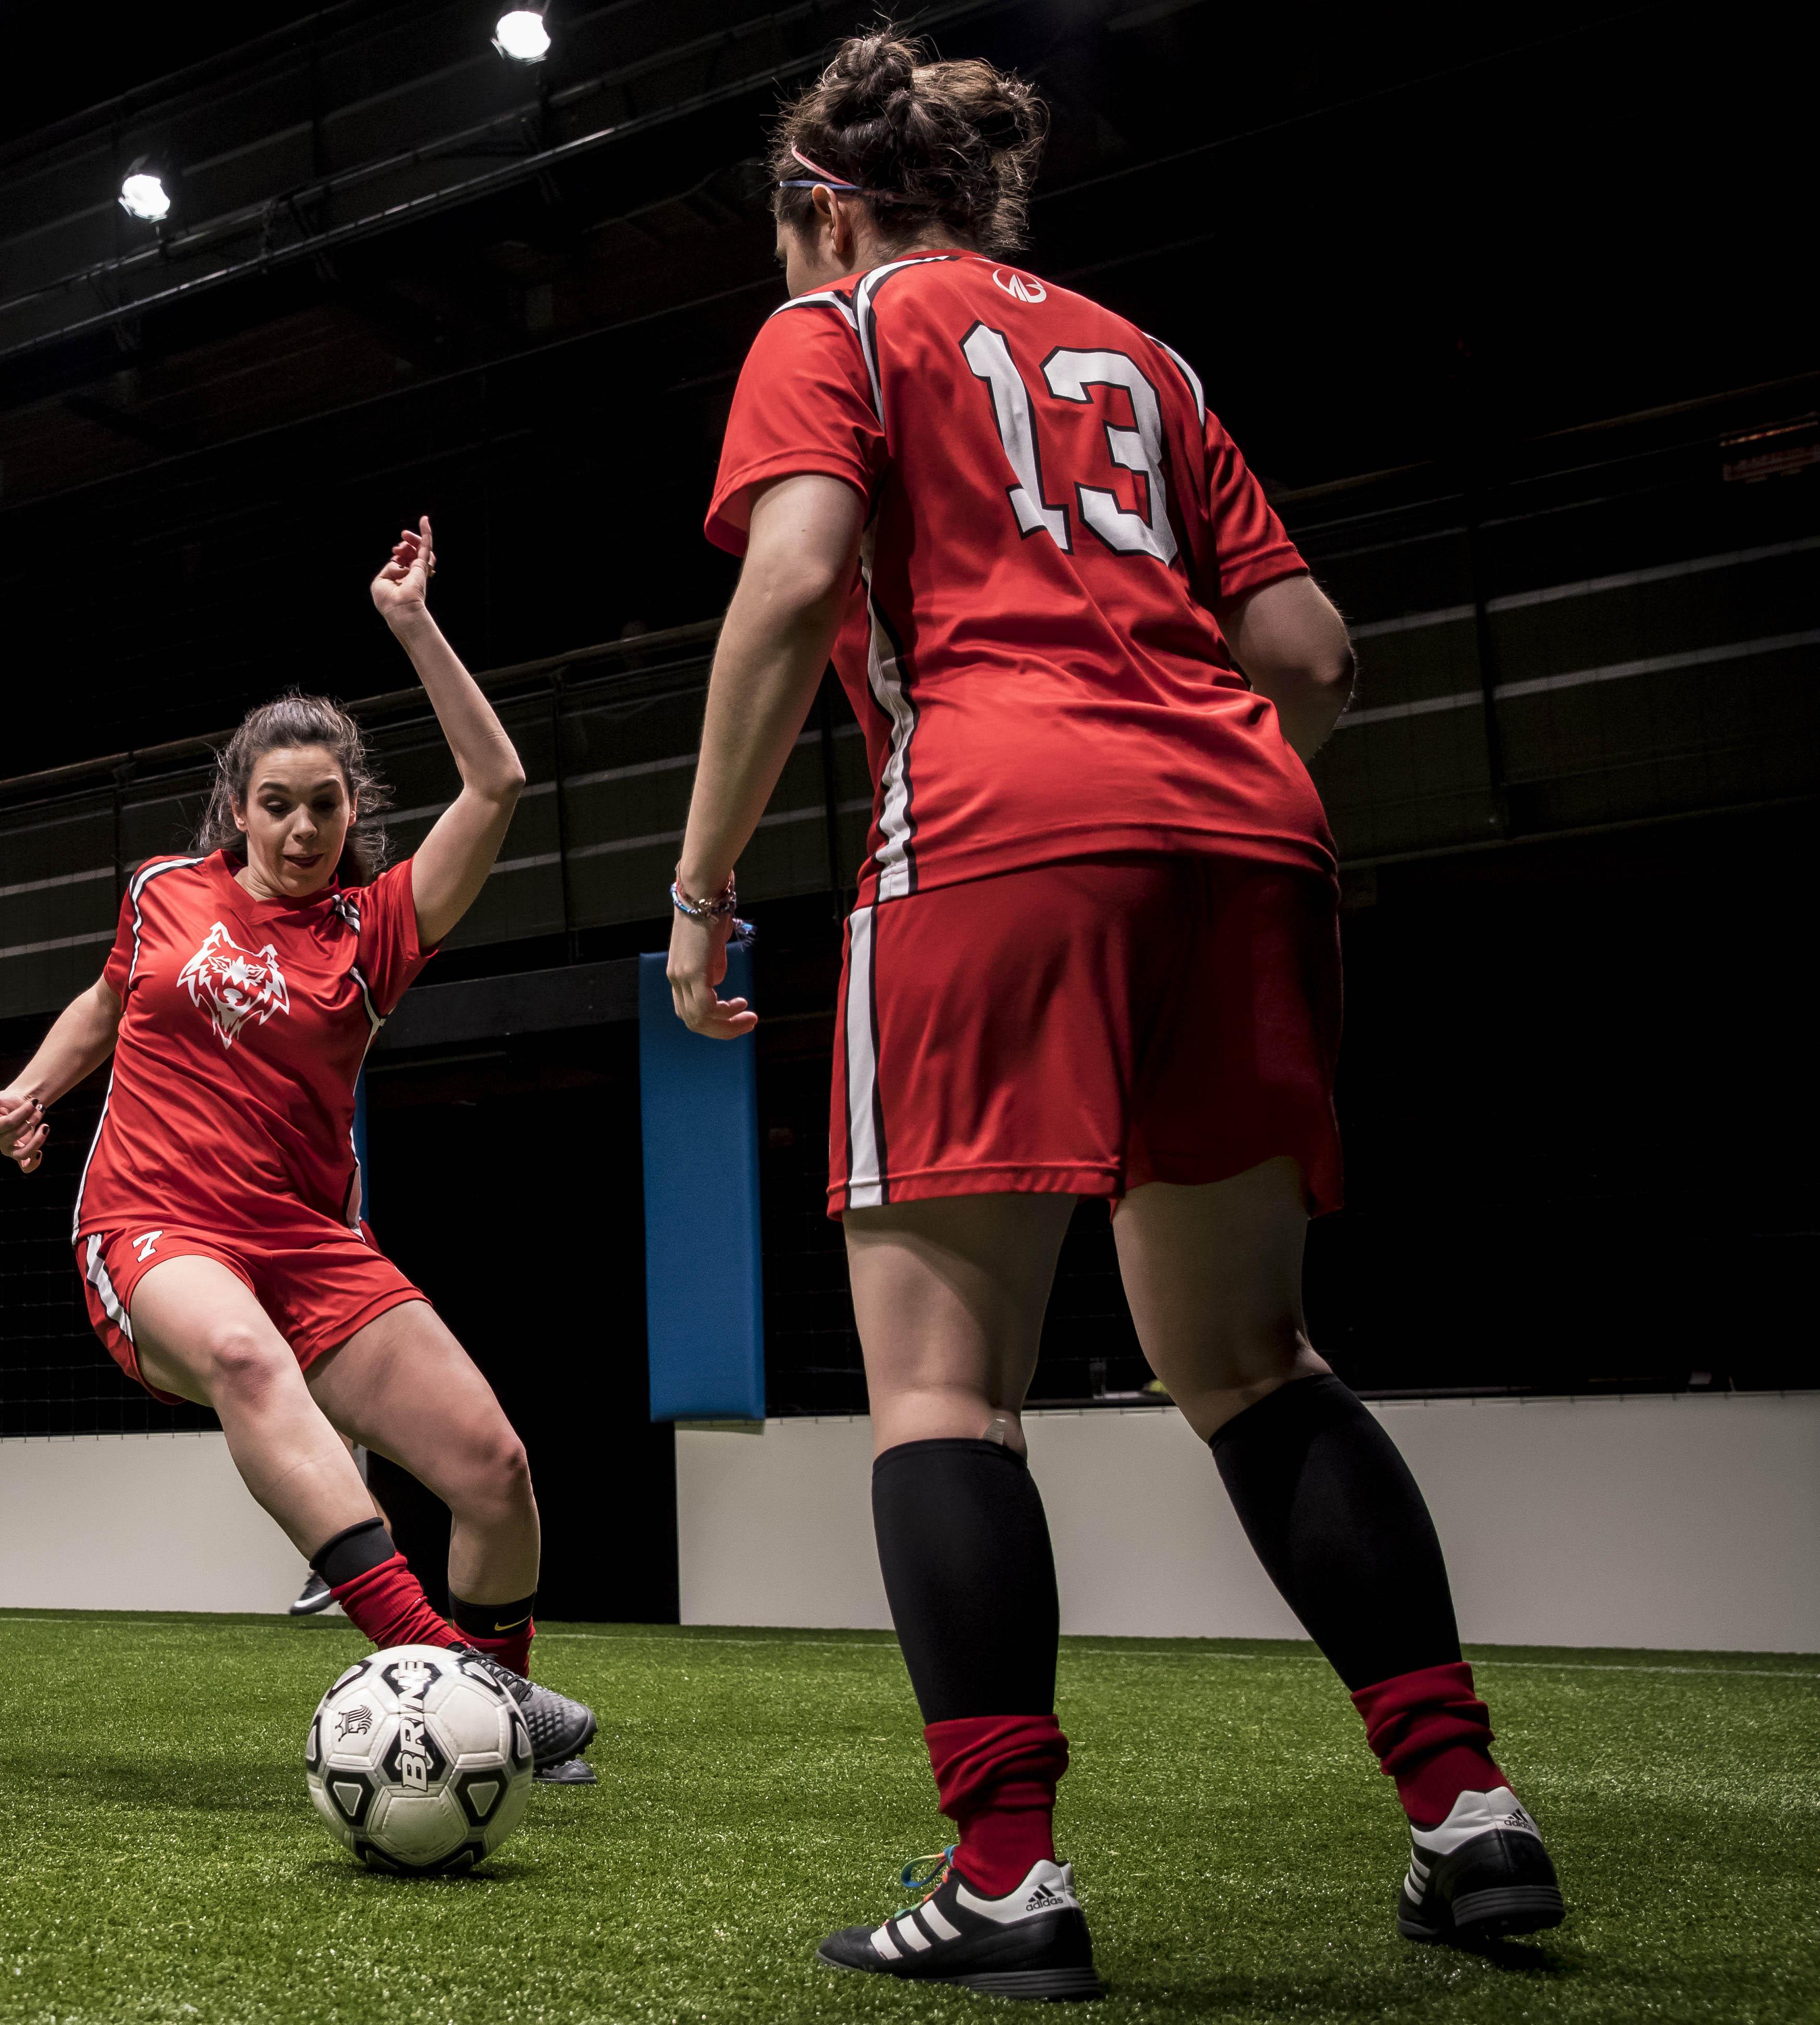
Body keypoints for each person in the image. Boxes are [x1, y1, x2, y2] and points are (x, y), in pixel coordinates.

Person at [668, 33, 1563, 1996]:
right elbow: (1307, 652)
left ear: (820, 201)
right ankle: (1463, 1810)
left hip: (990, 827)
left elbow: (802, 573)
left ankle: (1004, 1875)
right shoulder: (1135, 357)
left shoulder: (830, 325)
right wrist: (1180, 775)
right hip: (1243, 826)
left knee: (940, 1385)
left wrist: (700, 877)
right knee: (1252, 1357)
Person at [0, 520, 599, 1782]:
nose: (303, 827)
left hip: (311, 1240)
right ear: (237, 809)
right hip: (151, 1228)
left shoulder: (374, 931)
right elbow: (107, 1003)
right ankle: (453, 1678)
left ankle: (498, 1727)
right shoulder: (163, 889)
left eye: (327, 805)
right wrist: (31, 1089)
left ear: (352, 809)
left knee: (495, 1469)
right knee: (248, 1356)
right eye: (278, 805)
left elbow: (499, 787)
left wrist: (412, 625)